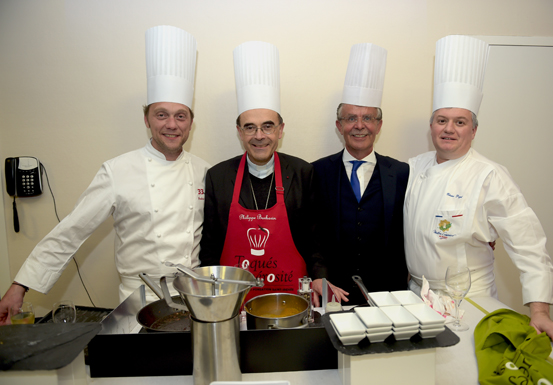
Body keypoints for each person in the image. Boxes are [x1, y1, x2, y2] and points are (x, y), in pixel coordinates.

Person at [0, 25, 210, 324]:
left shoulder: (205, 171)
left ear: (191, 122)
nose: (172, 124)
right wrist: (20, 286)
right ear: (147, 119)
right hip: (137, 301)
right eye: (161, 114)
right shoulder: (117, 170)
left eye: (181, 116)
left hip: (192, 298)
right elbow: (72, 231)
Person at [404, 35, 553, 351]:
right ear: (431, 126)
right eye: (442, 120)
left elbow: (528, 245)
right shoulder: (414, 167)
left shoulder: (490, 175)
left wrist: (539, 311)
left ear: (474, 130)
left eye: (460, 122)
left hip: (470, 301)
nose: (449, 129)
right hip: (417, 296)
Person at [199, 41, 329, 304]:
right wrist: (210, 290)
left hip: (290, 295)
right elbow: (210, 244)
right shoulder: (218, 176)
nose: (259, 136)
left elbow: (315, 237)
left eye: (267, 127)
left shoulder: (303, 172)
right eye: (250, 127)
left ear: (281, 130)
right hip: (234, 297)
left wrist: (319, 276)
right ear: (239, 132)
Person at [312, 44, 409, 305]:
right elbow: (312, 234)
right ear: (339, 125)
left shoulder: (401, 173)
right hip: (333, 293)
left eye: (367, 118)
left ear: (378, 125)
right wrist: (319, 277)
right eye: (351, 118)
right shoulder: (317, 171)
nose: (359, 126)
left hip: (389, 295)